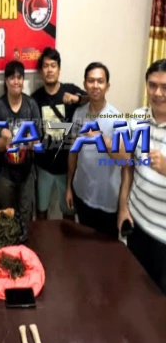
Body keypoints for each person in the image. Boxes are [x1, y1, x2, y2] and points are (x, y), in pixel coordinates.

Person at [118, 59, 166, 295]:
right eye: (152, 85)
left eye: (164, 87)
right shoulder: (136, 118)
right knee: (133, 292)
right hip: (136, 223)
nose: (157, 93)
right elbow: (127, 165)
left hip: (163, 238)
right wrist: (122, 207)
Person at [66, 62, 127, 239]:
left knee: (105, 249)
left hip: (107, 200)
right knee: (84, 244)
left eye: (100, 81)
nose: (95, 85)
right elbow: (73, 153)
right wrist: (69, 186)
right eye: (91, 81)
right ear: (85, 84)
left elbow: (124, 159)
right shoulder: (79, 114)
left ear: (107, 86)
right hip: (81, 193)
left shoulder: (117, 119)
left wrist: (103, 139)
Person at [32, 47, 88, 221]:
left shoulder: (70, 90)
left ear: (59, 69)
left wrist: (77, 99)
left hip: (67, 167)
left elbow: (92, 99)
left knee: (69, 213)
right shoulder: (35, 98)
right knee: (41, 212)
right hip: (43, 167)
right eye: (45, 66)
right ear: (41, 71)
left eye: (53, 65)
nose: (49, 70)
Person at [0, 60, 41, 223]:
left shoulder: (31, 105)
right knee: (4, 218)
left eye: (19, 77)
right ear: (6, 81)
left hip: (27, 173)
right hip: (4, 174)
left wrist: (29, 141)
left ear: (23, 80)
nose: (16, 81)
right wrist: (5, 141)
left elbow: (38, 142)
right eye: (12, 78)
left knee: (26, 217)